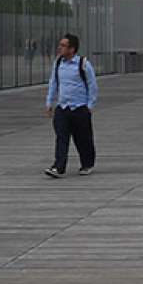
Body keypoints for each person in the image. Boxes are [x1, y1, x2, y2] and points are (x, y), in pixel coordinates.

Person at [43, 33, 98, 177]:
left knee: (83, 139)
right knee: (61, 138)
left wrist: (90, 105)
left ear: (72, 49)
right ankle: (58, 167)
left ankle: (87, 164)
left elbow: (92, 85)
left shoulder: (83, 64)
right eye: (60, 45)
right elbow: (53, 83)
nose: (59, 48)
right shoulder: (58, 63)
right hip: (63, 107)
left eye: (63, 45)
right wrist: (49, 102)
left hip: (80, 108)